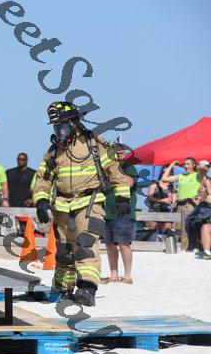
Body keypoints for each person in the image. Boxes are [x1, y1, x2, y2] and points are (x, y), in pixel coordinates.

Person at [34, 102, 132, 306]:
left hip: (90, 202)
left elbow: (115, 171)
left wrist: (123, 197)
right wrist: (41, 201)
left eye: (63, 126)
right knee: (64, 251)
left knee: (86, 244)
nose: (59, 131)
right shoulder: (54, 150)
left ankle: (87, 288)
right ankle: (63, 289)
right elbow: (43, 178)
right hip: (62, 206)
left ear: (74, 123)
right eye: (56, 127)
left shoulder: (94, 144)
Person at [101, 144, 138, 284]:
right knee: (109, 244)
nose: (119, 155)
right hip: (106, 212)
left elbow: (129, 182)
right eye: (115, 152)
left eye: (121, 152)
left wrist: (116, 171)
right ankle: (114, 275)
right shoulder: (104, 169)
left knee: (124, 244)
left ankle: (127, 276)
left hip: (124, 213)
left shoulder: (128, 167)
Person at [162, 158, 207, 250]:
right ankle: (183, 249)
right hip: (181, 205)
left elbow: (203, 171)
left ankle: (196, 248)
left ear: (194, 165)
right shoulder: (181, 176)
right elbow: (164, 178)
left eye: (188, 164)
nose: (186, 166)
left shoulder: (197, 175)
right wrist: (172, 165)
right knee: (180, 229)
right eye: (184, 164)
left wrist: (202, 167)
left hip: (193, 205)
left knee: (193, 228)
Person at [7, 152, 36, 234]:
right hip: (11, 203)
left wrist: (33, 199)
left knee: (25, 230)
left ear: (27, 160)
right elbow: (4, 186)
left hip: (25, 204)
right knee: (11, 232)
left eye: (23, 159)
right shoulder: (9, 172)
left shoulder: (33, 173)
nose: (20, 161)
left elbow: (37, 188)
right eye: (19, 159)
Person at [146, 164, 176, 234]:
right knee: (152, 234)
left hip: (167, 212)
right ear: (161, 173)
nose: (166, 174)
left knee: (167, 233)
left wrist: (173, 203)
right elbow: (149, 198)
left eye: (168, 173)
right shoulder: (154, 184)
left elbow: (174, 200)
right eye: (164, 172)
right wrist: (162, 201)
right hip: (154, 212)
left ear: (171, 174)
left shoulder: (172, 186)